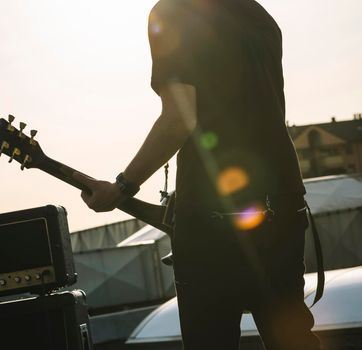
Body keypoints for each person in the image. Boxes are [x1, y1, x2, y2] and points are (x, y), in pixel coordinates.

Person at [74, 0, 322, 349]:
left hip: (213, 223)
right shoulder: (257, 14)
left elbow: (180, 118)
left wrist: (123, 186)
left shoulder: (173, 12)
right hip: (283, 208)